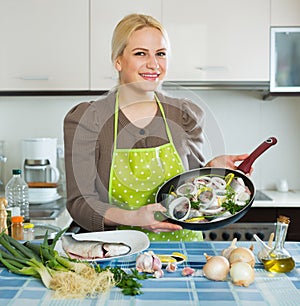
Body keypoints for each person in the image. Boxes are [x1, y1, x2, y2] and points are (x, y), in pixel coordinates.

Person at [63, 13, 250, 241]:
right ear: (118, 60)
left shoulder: (184, 115)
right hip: (119, 252)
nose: (153, 64)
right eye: (141, 53)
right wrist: (132, 217)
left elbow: (190, 186)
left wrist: (213, 169)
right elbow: (80, 204)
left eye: (160, 54)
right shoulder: (87, 118)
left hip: (183, 251)